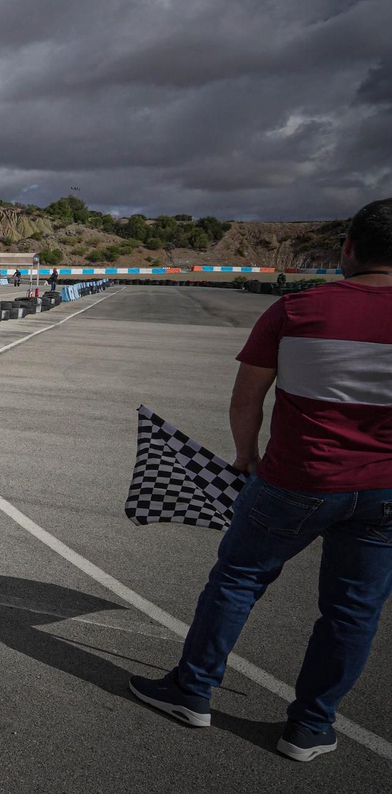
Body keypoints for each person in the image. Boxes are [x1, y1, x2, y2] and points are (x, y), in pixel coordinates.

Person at [129, 198, 392, 762]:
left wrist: (246, 455)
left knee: (238, 580)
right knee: (353, 611)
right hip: (385, 492)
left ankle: (191, 690)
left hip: (297, 479)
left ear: (347, 248)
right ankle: (310, 728)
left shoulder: (299, 308)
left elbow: (248, 395)